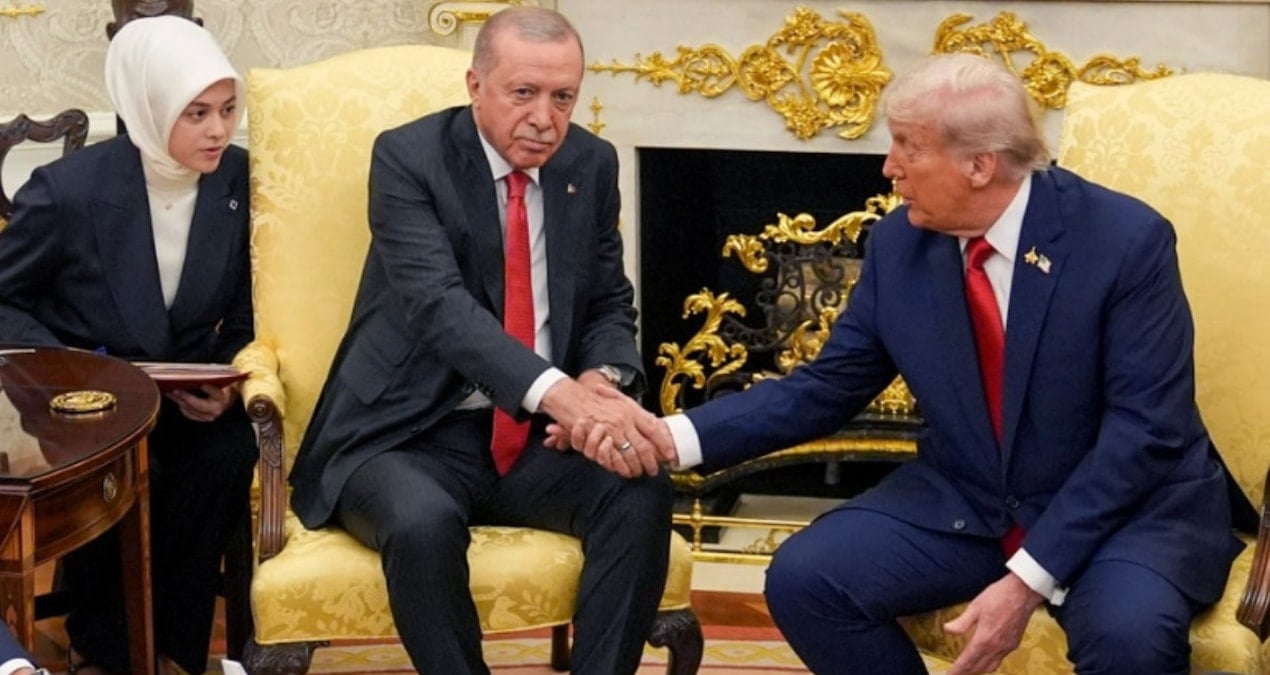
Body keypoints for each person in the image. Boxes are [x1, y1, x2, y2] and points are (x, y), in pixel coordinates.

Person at [562, 53, 1247, 674]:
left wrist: (1027, 579)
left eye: (908, 147)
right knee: (808, 579)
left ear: (980, 165)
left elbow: (1143, 433)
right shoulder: (900, 245)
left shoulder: (1124, 241)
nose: (888, 167)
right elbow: (827, 387)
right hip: (973, 500)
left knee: (1129, 637)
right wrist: (666, 436)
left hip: (1123, 512)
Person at [287, 7, 673, 674]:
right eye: (523, 93)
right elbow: (440, 309)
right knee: (422, 524)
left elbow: (609, 301)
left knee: (640, 489)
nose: (545, 118)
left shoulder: (590, 163)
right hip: (406, 432)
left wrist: (599, 383)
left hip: (537, 438)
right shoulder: (408, 158)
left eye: (563, 97)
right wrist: (560, 394)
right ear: (475, 85)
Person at [0, 16, 257, 675]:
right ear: (149, 106)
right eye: (197, 113)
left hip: (186, 394)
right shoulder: (68, 191)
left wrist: (229, 380)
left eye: (228, 110)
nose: (218, 130)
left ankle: (173, 652)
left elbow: (254, 307)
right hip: (86, 403)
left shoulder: (241, 182)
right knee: (125, 461)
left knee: (225, 452)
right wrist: (68, 373)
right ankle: (105, 650)